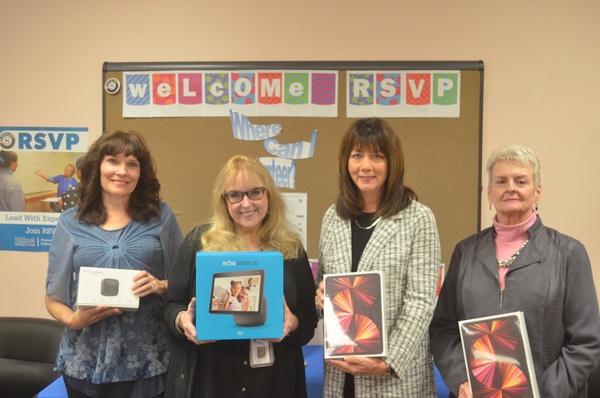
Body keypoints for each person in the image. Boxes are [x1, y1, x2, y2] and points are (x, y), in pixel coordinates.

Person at [429, 145, 600, 398]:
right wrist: (462, 381)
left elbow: (585, 343)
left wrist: (538, 393)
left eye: (521, 180)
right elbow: (443, 329)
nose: (511, 187)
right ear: (489, 192)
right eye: (501, 181)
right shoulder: (465, 253)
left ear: (537, 191)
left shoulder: (568, 253)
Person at [163, 155, 318, 398]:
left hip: (275, 382)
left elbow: (308, 320)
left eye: (255, 192)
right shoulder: (200, 243)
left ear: (268, 195)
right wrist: (183, 320)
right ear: (224, 201)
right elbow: (170, 306)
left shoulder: (290, 248)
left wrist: (293, 324)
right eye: (235, 195)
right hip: (212, 378)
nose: (246, 203)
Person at [45, 129, 183, 398]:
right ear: (98, 166)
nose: (122, 171)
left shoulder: (160, 216)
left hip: (148, 359)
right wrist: (73, 320)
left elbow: (185, 282)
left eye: (132, 164)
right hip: (85, 360)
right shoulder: (71, 222)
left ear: (141, 173)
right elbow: (53, 297)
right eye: (113, 161)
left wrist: (160, 285)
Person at [315, 117, 442, 397]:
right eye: (357, 155)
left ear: (391, 163)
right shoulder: (333, 218)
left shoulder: (418, 218)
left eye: (377, 156)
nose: (366, 166)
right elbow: (324, 283)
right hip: (341, 375)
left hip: (394, 379)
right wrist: (322, 297)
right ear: (346, 162)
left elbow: (420, 303)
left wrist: (386, 361)